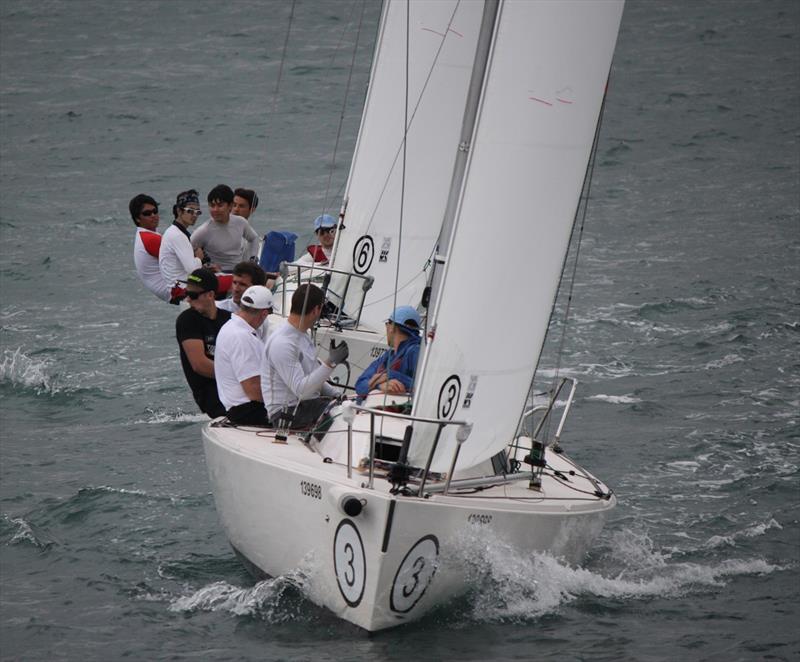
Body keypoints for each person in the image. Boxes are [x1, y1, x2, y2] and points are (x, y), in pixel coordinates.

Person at [261, 284, 348, 429]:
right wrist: (331, 363)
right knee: (344, 419)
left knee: (348, 409)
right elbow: (302, 392)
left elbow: (313, 379)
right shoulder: (283, 342)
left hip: (306, 406)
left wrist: (338, 396)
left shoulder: (302, 336)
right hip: (286, 414)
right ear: (316, 310)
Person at [175, 268, 231, 418]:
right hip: (211, 394)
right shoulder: (187, 320)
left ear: (211, 295)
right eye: (187, 294)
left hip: (233, 385)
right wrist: (239, 375)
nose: (188, 299)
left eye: (193, 295)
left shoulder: (228, 318)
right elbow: (199, 365)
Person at [214, 285, 273, 426]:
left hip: (240, 408)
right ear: (264, 314)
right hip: (249, 411)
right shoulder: (242, 337)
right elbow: (254, 390)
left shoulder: (231, 326)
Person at [355, 305, 422, 402]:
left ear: (392, 327)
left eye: (387, 324)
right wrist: (379, 384)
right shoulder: (388, 356)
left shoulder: (415, 351)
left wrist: (390, 375)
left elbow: (422, 387)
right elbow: (359, 386)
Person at [191, 184, 259, 271]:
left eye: (220, 205)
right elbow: (187, 250)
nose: (215, 210)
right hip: (216, 276)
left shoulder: (240, 222)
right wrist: (203, 264)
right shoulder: (204, 230)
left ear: (230, 205)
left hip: (238, 273)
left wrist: (253, 259)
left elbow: (254, 238)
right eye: (212, 205)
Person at [159, 189, 207, 302]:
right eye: (190, 211)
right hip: (180, 289)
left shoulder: (174, 231)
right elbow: (192, 269)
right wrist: (200, 258)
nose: (194, 215)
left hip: (176, 285)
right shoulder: (178, 235)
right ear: (179, 211)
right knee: (229, 281)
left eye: (197, 212)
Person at [129, 194, 171, 302]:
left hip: (169, 288)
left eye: (155, 211)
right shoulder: (150, 238)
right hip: (173, 290)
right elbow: (182, 259)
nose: (153, 215)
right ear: (137, 218)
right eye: (147, 213)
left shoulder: (144, 234)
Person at [217, 261, 271, 341]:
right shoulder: (217, 309)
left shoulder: (263, 320)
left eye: (242, 284)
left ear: (258, 288)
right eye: (234, 283)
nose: (236, 289)